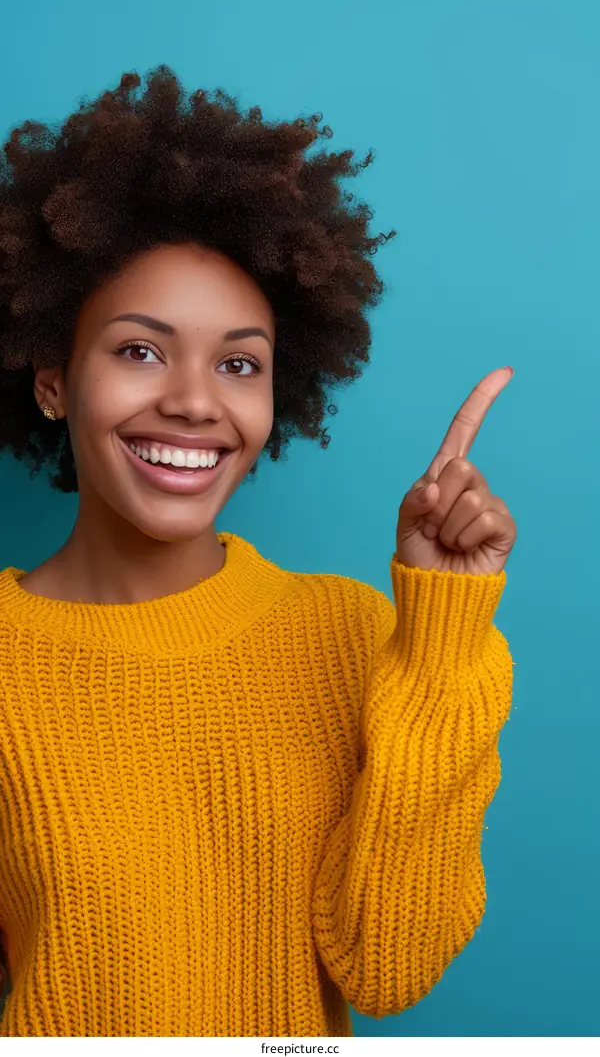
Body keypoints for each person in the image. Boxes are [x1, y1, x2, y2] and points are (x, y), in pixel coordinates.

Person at [0, 66, 516, 1038]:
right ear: (53, 380)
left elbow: (389, 966)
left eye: (239, 363)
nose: (196, 400)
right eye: (140, 349)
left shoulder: (355, 633)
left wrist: (441, 634)